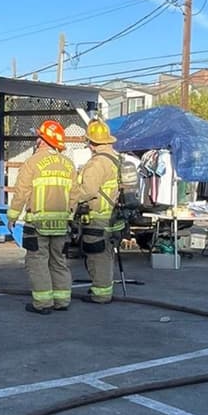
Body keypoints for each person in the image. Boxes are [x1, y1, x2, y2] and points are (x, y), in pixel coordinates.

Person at [7, 120, 75, 314]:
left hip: (38, 223)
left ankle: (43, 303)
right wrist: (69, 215)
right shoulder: (68, 164)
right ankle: (62, 301)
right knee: (58, 261)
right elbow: (75, 194)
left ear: (43, 140)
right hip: (61, 224)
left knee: (37, 262)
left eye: (39, 137)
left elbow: (21, 192)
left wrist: (12, 216)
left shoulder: (33, 162)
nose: (36, 140)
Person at [72, 119, 124, 304]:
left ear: (91, 143)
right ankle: (101, 288)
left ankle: (101, 294)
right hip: (112, 216)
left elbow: (87, 191)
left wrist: (70, 201)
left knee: (97, 256)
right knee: (106, 254)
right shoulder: (116, 159)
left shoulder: (97, 163)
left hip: (97, 217)